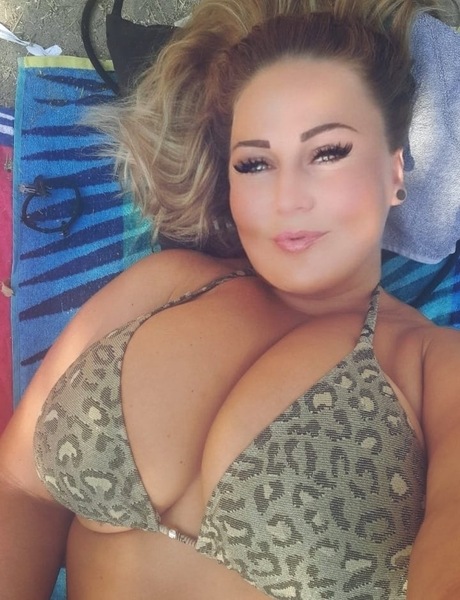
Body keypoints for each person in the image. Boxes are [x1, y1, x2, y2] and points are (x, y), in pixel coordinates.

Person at [1, 0, 460, 598]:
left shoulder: (434, 369)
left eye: (328, 152)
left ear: (397, 172)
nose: (287, 198)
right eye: (255, 163)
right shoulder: (164, 285)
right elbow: (20, 487)